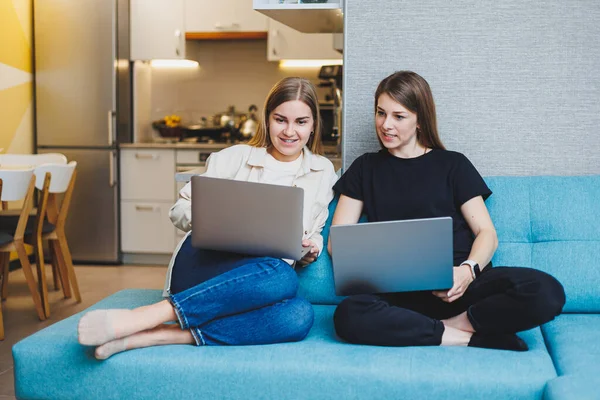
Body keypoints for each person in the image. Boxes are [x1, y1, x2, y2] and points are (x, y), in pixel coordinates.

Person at [78, 77, 338, 359]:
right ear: (267, 119)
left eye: (301, 122)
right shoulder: (234, 157)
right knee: (283, 277)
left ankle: (163, 335)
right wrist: (216, 220)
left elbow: (314, 233)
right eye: (280, 120)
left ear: (313, 125)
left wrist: (309, 250)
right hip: (205, 265)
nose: (289, 131)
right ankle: (147, 316)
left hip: (258, 283)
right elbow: (178, 211)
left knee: (299, 315)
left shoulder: (322, 172)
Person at [329, 71, 565, 351]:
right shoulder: (365, 168)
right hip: (398, 295)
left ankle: (445, 327)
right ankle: (463, 337)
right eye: (380, 113)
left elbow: (486, 233)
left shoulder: (453, 164)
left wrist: (467, 272)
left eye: (398, 116)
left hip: (461, 288)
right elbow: (337, 243)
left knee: (546, 291)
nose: (385, 124)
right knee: (347, 315)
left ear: (420, 120)